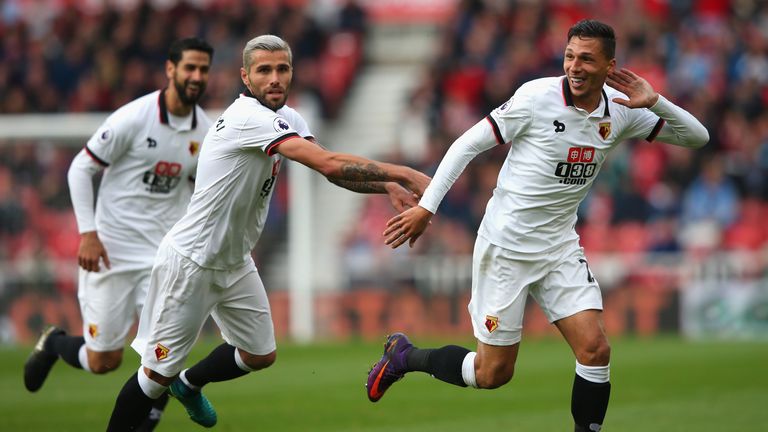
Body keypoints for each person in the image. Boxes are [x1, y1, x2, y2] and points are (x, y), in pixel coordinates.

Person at [366, 19, 709, 432]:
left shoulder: (621, 109)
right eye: (569, 56)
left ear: (609, 65)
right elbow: (467, 144)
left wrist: (656, 101)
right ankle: (405, 356)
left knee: (595, 350)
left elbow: (697, 138)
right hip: (506, 248)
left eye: (587, 59)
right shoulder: (536, 97)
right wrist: (429, 209)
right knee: (493, 374)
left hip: (559, 247)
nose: (575, 67)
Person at [105, 34, 430, 431]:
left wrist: (386, 187)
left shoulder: (287, 119)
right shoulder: (246, 118)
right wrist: (405, 172)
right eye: (264, 71)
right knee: (153, 377)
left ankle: (189, 384)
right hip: (191, 262)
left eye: (282, 69)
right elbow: (329, 164)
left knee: (259, 354)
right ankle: (165, 388)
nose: (275, 78)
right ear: (246, 77)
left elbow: (329, 169)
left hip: (234, 262)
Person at [23, 37, 215, 431]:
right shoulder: (133, 118)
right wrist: (88, 233)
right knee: (103, 361)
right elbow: (80, 169)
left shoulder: (208, 132)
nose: (196, 76)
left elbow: (201, 190)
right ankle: (54, 343)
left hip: (164, 255)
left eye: (203, 69)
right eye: (189, 68)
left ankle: (151, 415)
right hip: (111, 252)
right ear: (170, 69)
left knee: (164, 349)